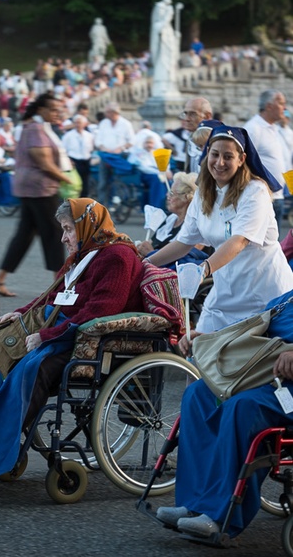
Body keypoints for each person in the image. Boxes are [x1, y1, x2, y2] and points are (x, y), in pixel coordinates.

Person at [0, 198, 144, 478]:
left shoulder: (118, 257)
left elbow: (100, 311)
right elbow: (51, 294)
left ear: (88, 225)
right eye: (62, 229)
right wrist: (20, 313)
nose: (64, 238)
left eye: (68, 230)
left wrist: (46, 334)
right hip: (63, 329)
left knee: (27, 369)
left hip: (86, 339)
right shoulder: (87, 252)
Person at [157, 288, 293, 539]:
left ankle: (221, 516)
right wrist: (207, 338)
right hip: (264, 379)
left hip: (287, 391)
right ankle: (193, 505)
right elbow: (247, 335)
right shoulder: (286, 300)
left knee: (242, 407)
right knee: (197, 395)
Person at [146, 125, 293, 334]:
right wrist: (146, 264)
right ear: (207, 154)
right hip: (225, 292)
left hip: (264, 293)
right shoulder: (203, 193)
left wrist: (204, 269)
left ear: (241, 159)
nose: (220, 162)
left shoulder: (255, 191)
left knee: (247, 362)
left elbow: (239, 240)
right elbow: (183, 242)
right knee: (198, 355)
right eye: (215, 154)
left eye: (228, 156)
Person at [0, 92, 73, 298]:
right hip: (40, 188)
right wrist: (66, 178)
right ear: (42, 110)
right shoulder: (36, 129)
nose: (58, 114)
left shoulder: (33, 127)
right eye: (54, 110)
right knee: (54, 234)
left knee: (24, 235)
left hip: (31, 188)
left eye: (60, 110)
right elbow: (43, 162)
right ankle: (58, 284)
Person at [244, 90, 287, 233]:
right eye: (281, 103)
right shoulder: (253, 128)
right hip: (263, 199)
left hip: (277, 197)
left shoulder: (274, 129)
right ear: (269, 106)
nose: (285, 108)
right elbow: (244, 162)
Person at [136, 172, 198, 256]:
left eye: (171, 193)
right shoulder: (170, 220)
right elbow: (150, 243)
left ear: (186, 197)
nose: (167, 195)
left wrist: (151, 254)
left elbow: (185, 259)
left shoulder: (195, 226)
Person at [95, 102, 135, 206]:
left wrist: (121, 148)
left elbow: (132, 141)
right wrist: (103, 147)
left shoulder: (126, 124)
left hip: (120, 155)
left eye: (107, 112)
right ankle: (101, 204)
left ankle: (118, 202)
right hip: (105, 155)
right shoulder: (103, 123)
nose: (106, 114)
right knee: (103, 182)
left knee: (118, 181)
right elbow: (98, 140)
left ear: (113, 112)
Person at [150, 0, 180, 97]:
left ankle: (170, 87)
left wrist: (177, 37)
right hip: (162, 56)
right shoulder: (158, 25)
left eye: (164, 9)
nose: (162, 11)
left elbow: (172, 45)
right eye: (161, 9)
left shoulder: (169, 28)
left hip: (169, 56)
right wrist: (169, 14)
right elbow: (157, 43)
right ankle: (161, 88)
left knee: (170, 70)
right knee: (162, 70)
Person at [127, 136, 168, 209]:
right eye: (147, 143)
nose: (149, 145)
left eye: (151, 143)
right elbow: (142, 167)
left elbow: (165, 164)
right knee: (157, 179)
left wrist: (167, 171)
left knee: (170, 180)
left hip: (158, 173)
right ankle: (156, 207)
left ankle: (166, 205)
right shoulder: (138, 153)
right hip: (144, 174)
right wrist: (161, 173)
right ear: (143, 144)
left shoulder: (156, 153)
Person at [62, 114, 94, 197]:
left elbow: (91, 148)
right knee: (75, 183)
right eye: (76, 123)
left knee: (85, 183)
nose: (78, 125)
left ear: (84, 124)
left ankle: (83, 201)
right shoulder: (68, 136)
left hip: (86, 160)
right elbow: (63, 149)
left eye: (80, 123)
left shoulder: (89, 135)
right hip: (74, 161)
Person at [179, 96, 213, 173]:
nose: (187, 119)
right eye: (185, 113)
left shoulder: (217, 140)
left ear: (207, 116)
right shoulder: (190, 137)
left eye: (192, 114)